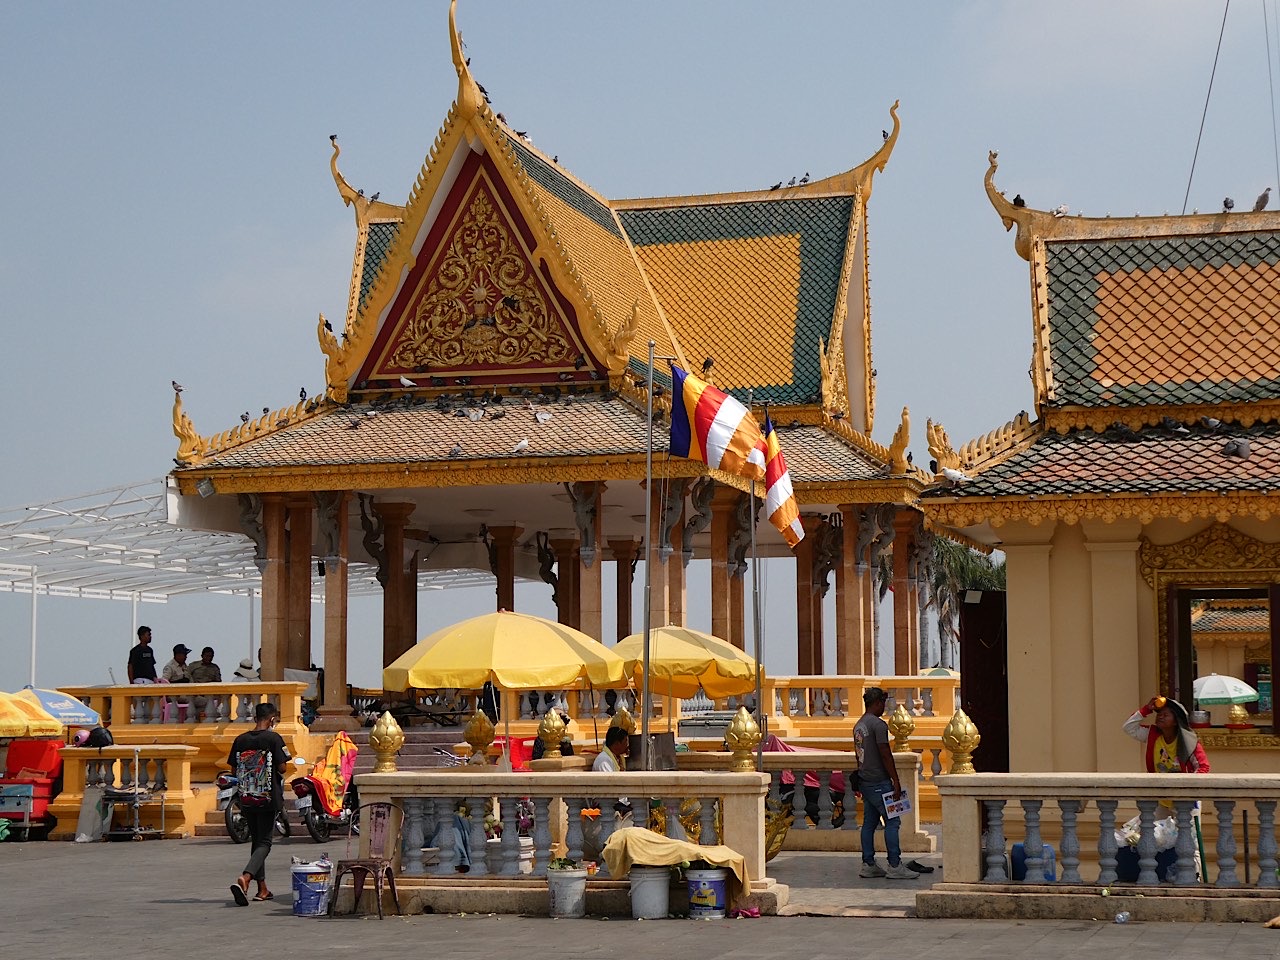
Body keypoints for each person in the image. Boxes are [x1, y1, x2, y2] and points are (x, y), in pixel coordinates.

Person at [227, 702, 289, 905]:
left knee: (257, 841)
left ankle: (262, 889)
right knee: (265, 842)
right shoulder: (273, 738)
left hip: (246, 797)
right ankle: (246, 877)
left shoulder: (240, 740)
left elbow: (234, 770)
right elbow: (282, 767)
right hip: (267, 797)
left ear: (255, 718)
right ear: (272, 720)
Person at [853, 687, 916, 880]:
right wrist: (895, 780)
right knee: (892, 821)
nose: (885, 707)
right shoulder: (878, 725)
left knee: (869, 823)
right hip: (879, 780)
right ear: (877, 703)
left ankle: (868, 864)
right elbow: (885, 754)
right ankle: (895, 865)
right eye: (883, 703)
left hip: (865, 779)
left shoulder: (859, 725)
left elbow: (859, 755)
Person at [1122, 695, 1210, 774]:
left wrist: (1187, 784)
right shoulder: (1152, 734)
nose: (1160, 716)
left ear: (1176, 721)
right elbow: (1128, 727)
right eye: (1159, 714)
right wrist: (1147, 709)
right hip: (1156, 785)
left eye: (1165, 715)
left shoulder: (1189, 742)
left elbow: (1203, 767)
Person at [189, 647, 222, 720]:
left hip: (210, 693)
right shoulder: (193, 666)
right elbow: (187, 677)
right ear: (202, 656)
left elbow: (218, 682)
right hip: (196, 693)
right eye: (207, 656)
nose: (209, 658)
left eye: (211, 656)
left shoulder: (215, 668)